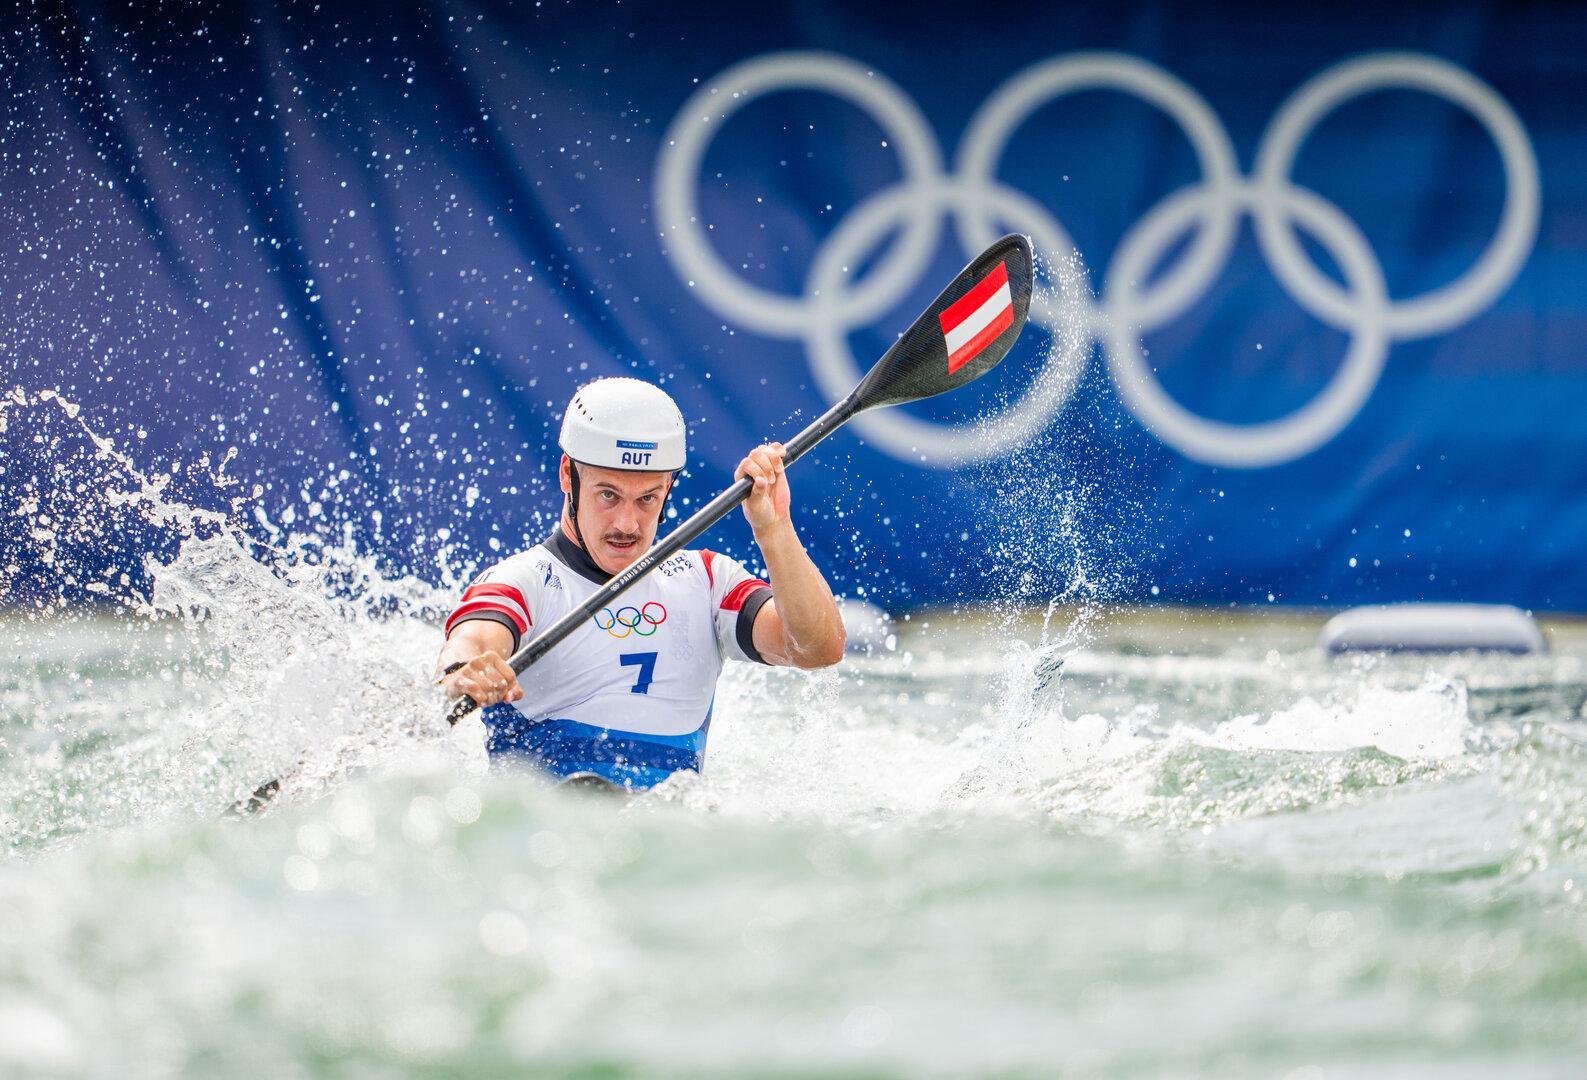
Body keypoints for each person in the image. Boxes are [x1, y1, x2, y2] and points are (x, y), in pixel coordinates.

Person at [433, 377, 846, 789]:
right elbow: (470, 645)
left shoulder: (708, 580)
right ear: (567, 475)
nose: (627, 524)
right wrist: (465, 671)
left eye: (647, 498)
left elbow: (817, 648)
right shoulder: (524, 581)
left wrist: (774, 530)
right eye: (608, 495)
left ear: (668, 488)